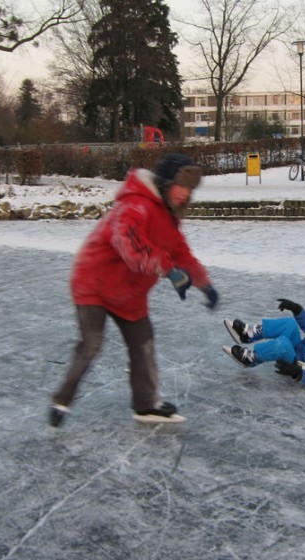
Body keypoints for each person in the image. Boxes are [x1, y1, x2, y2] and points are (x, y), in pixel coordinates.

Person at [50, 153, 220, 427]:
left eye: (191, 189)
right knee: (92, 344)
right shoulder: (134, 206)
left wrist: (205, 284)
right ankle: (61, 400)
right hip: (94, 283)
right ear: (165, 183)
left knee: (144, 344)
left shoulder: (169, 220)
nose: (186, 194)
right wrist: (168, 269)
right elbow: (129, 245)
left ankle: (146, 404)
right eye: (182, 186)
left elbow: (183, 255)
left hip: (129, 294)